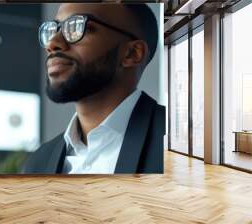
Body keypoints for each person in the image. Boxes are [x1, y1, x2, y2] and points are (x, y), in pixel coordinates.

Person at [23, 3, 165, 174]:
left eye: (77, 26)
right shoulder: (39, 161)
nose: (52, 43)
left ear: (131, 53)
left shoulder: (176, 141)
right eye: (54, 29)